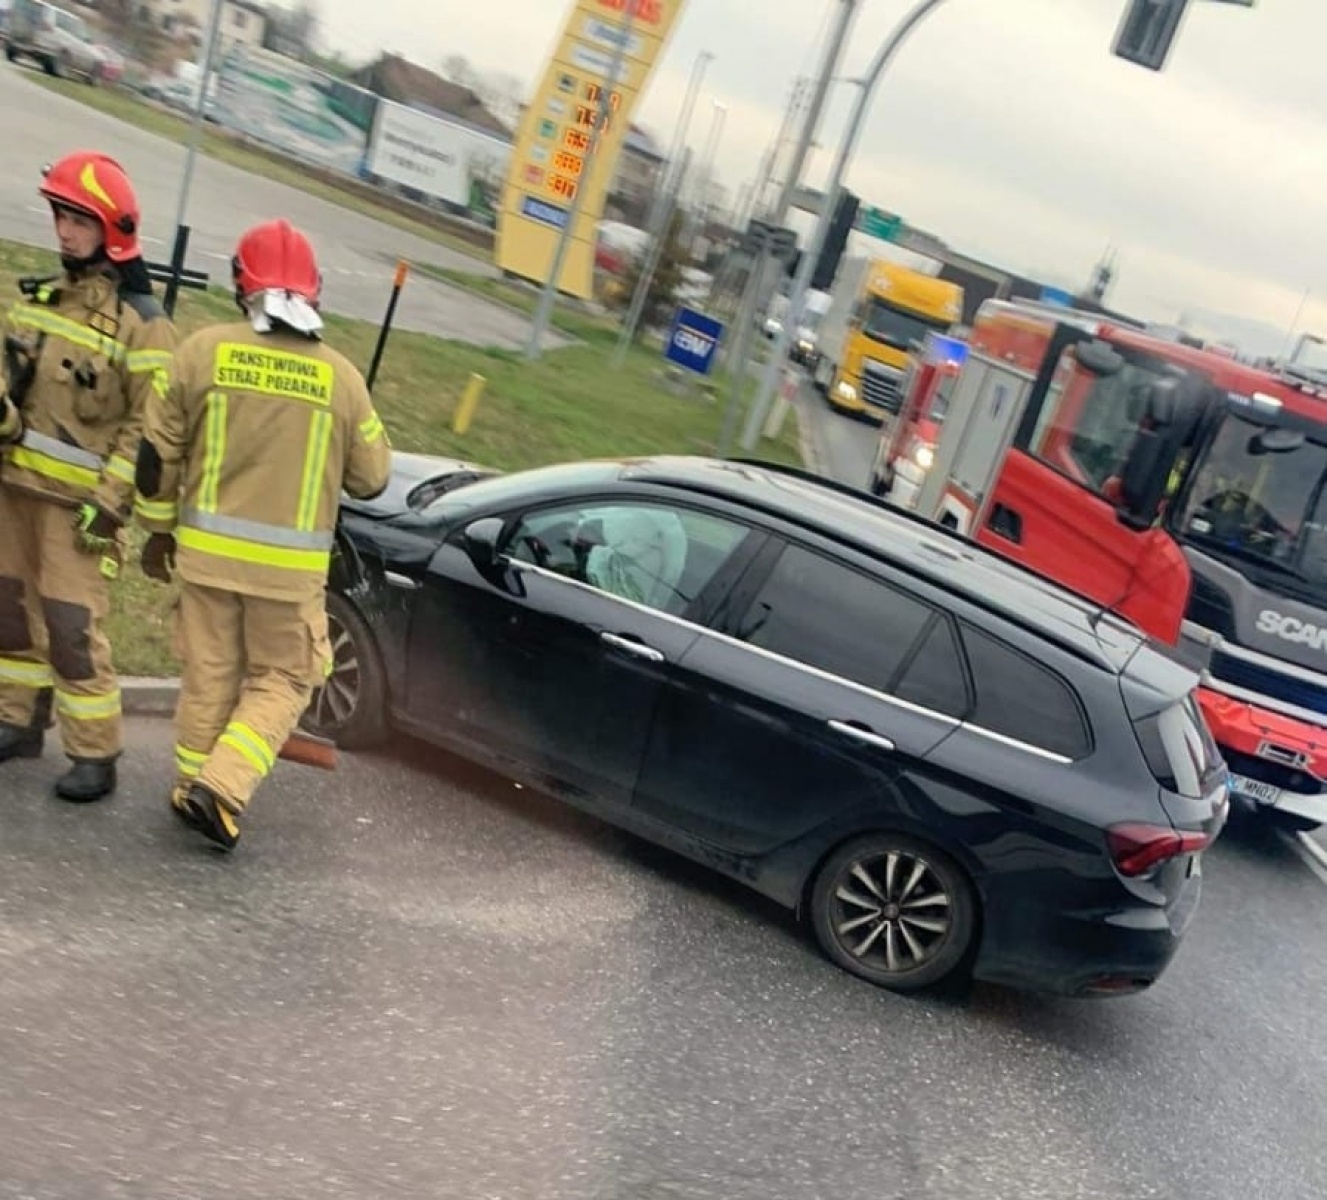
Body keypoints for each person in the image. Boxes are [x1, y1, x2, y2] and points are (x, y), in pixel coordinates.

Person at [135, 218, 392, 850]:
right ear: (315, 291)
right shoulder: (342, 379)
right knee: (284, 680)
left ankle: (190, 786)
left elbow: (154, 460)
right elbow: (374, 478)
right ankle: (221, 789)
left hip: (205, 562)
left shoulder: (199, 353)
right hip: (288, 576)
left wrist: (158, 532)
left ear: (238, 285)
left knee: (210, 675)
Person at [0, 150, 176, 803]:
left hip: (80, 510)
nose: (64, 231)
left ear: (113, 230)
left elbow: (147, 430)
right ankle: (17, 722)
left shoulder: (145, 328)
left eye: (79, 219)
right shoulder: (41, 303)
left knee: (71, 632)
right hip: (14, 491)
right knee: (7, 618)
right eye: (60, 216)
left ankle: (96, 756)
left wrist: (110, 503)